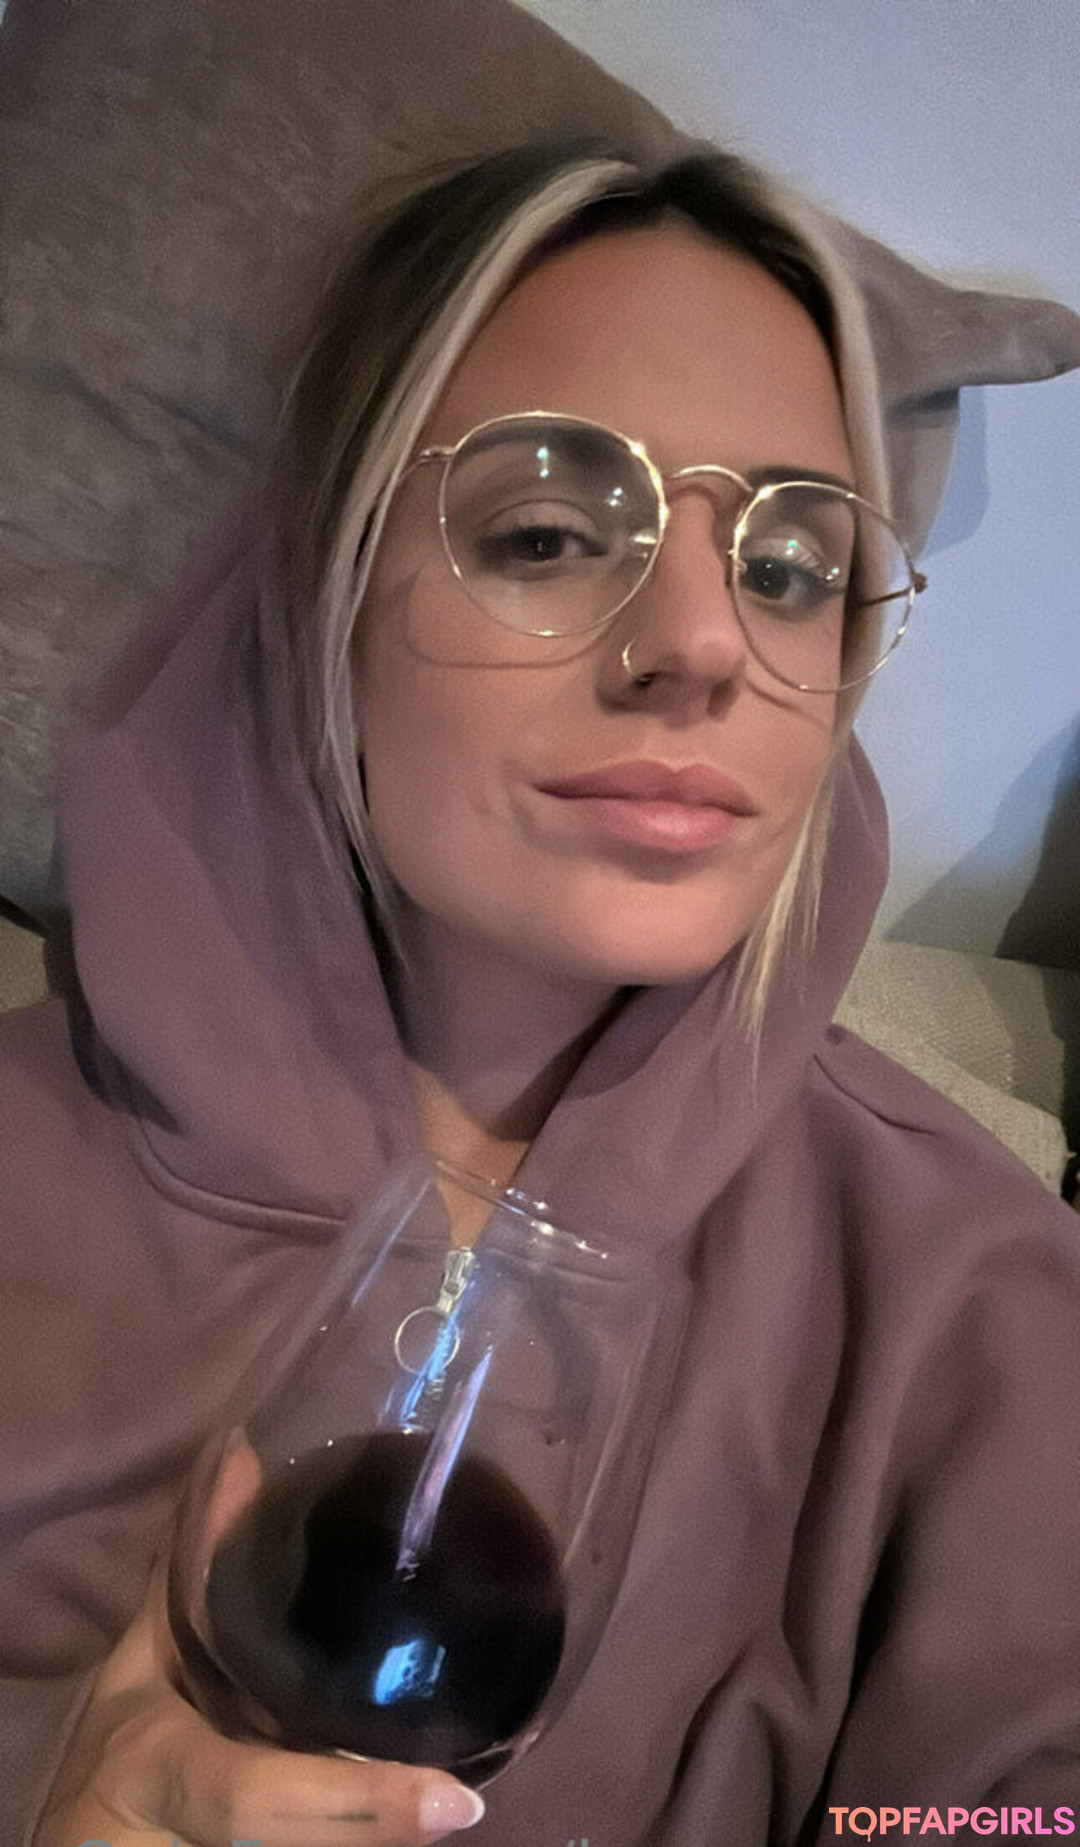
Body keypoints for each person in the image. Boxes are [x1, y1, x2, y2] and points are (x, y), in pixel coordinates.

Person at [2, 140, 1080, 1847]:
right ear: (320, 593)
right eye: (552, 532)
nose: (705, 642)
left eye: (788, 567)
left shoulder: (985, 1299)